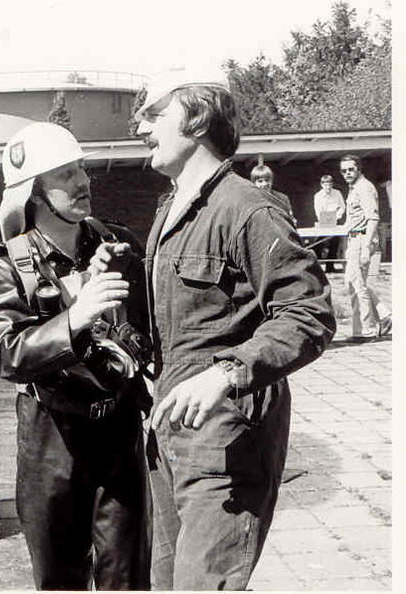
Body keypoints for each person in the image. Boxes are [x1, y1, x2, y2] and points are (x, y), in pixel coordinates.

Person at [131, 67, 335, 589]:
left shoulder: (247, 208)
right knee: (166, 583)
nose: (140, 126)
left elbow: (309, 313)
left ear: (197, 117)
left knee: (204, 585)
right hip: (171, 427)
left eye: (154, 113)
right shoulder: (172, 210)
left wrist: (226, 373)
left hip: (225, 434)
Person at [0, 122, 151, 590]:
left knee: (128, 575)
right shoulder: (5, 264)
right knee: (59, 578)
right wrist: (76, 318)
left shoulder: (117, 244)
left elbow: (148, 329)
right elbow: (5, 352)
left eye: (81, 169)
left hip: (118, 428)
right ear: (33, 191)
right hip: (51, 437)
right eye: (65, 174)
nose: (82, 182)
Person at [341, 154, 391, 341]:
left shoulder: (365, 188)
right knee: (352, 282)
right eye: (344, 171)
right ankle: (384, 315)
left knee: (358, 286)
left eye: (351, 169)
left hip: (362, 239)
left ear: (359, 169)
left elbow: (373, 218)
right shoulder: (354, 188)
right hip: (354, 238)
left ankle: (365, 331)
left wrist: (365, 247)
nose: (347, 173)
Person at [312, 174, 345, 271]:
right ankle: (315, 266)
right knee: (319, 243)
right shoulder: (318, 196)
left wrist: (337, 216)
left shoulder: (337, 193)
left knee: (335, 243)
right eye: (326, 184)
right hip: (323, 221)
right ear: (321, 184)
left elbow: (342, 207)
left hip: (335, 221)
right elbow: (318, 211)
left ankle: (330, 266)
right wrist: (324, 219)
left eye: (330, 184)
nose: (328, 187)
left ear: (332, 184)